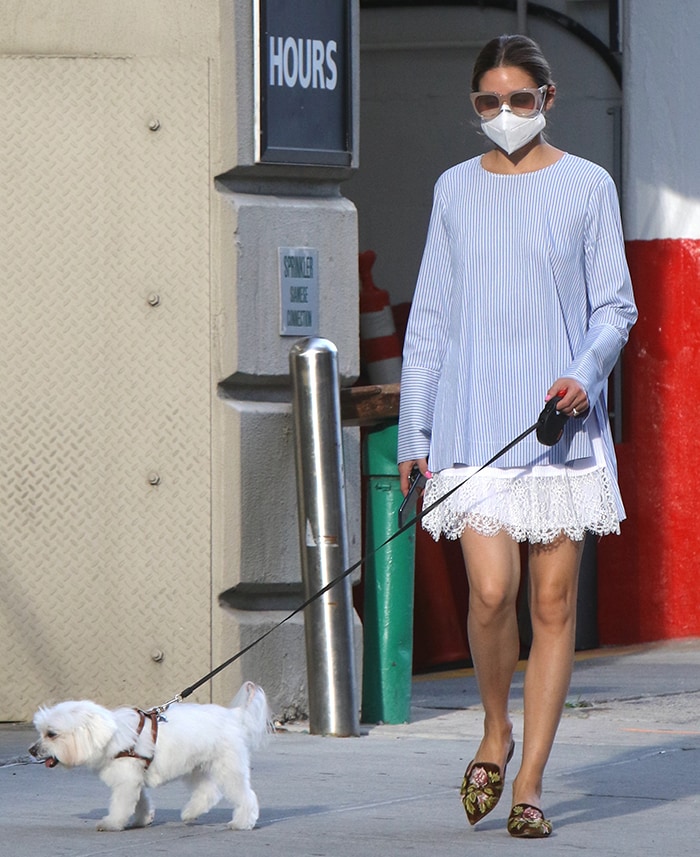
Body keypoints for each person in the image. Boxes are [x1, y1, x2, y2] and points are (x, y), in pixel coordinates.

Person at [397, 34, 637, 838]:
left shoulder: (588, 186)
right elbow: (429, 316)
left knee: (553, 600)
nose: (504, 114)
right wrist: (412, 433)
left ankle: (530, 777)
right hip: (472, 424)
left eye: (520, 99)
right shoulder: (455, 191)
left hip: (558, 423)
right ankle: (494, 728)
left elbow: (616, 307)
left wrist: (585, 369)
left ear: (549, 99)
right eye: (488, 102)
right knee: (492, 592)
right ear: (474, 107)